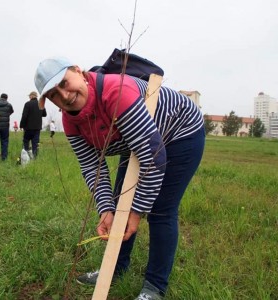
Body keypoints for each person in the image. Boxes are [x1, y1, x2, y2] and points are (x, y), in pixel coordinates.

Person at [34, 57, 205, 299]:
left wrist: (136, 213)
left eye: (64, 83)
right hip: (135, 142)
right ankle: (114, 270)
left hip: (180, 132)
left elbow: (153, 159)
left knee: (160, 210)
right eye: (53, 94)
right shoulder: (70, 121)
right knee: (117, 204)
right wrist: (106, 211)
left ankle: (154, 287)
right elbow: (93, 167)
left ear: (77, 71)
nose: (65, 95)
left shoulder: (115, 92)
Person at [20, 91, 46, 158]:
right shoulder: (40, 103)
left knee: (26, 141)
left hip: (28, 128)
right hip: (37, 128)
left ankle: (26, 157)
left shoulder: (27, 104)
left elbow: (24, 116)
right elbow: (44, 114)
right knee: (35, 143)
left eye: (29, 96)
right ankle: (35, 157)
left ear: (31, 96)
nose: (29, 97)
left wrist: (21, 125)